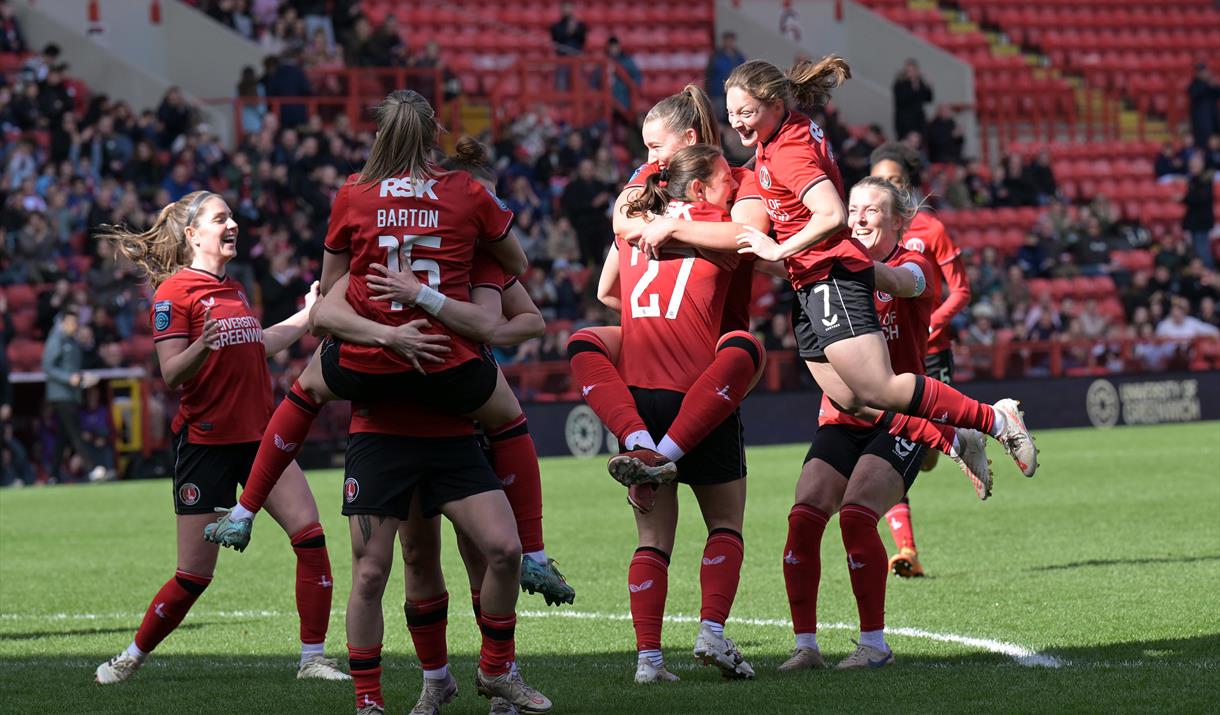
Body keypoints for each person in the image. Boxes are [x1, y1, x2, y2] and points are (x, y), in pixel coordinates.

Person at [632, 58, 1014, 484]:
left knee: (879, 389)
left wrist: (775, 245)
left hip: (829, 277)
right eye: (732, 112)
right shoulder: (776, 139)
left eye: (746, 112)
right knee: (850, 399)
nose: (736, 123)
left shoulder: (787, 151)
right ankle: (956, 439)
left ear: (774, 104)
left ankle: (994, 420)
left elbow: (832, 215)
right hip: (808, 281)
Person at [202, 89, 530, 555]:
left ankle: (245, 509)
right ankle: (534, 550)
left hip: (371, 354)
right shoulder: (468, 191)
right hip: (445, 351)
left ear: (379, 135)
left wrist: (381, 325)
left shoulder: (354, 191)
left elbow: (332, 285)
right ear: (433, 133)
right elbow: (516, 261)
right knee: (508, 419)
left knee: (307, 389)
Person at [93, 191, 348, 685]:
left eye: (232, 216)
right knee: (194, 576)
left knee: (310, 536)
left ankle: (313, 658)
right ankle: (130, 657)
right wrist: (202, 347)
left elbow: (258, 344)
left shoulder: (233, 289)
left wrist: (309, 314)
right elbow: (170, 373)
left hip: (258, 440)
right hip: (206, 447)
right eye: (220, 217)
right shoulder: (173, 295)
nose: (232, 223)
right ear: (193, 234)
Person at [780, 177, 973, 672]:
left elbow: (901, 282)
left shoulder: (914, 265)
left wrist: (826, 255)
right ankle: (806, 647)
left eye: (872, 211)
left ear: (899, 222)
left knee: (856, 514)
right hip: (842, 416)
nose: (859, 218)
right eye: (853, 209)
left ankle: (874, 644)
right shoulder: (830, 270)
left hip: (900, 422)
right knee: (803, 516)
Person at [593, 144, 766, 682]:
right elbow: (752, 240)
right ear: (696, 189)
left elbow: (605, 291)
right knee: (725, 524)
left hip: (641, 400)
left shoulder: (632, 225)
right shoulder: (713, 225)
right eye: (722, 185)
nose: (731, 192)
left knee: (652, 540)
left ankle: (648, 660)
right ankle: (711, 632)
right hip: (700, 398)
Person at [869, 142, 974, 577]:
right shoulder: (867, 234)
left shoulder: (931, 229)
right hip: (892, 357)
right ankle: (906, 550)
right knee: (896, 444)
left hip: (931, 350)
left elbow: (961, 290)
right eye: (879, 180)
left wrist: (933, 322)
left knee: (927, 449)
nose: (887, 187)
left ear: (907, 185)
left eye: (893, 180)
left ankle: (941, 442)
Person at [41, 308, 101, 482]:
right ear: (63, 323)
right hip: (60, 394)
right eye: (72, 322)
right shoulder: (56, 339)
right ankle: (91, 468)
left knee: (63, 435)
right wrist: (69, 378)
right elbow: (48, 366)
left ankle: (53, 474)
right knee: (75, 431)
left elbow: (71, 368)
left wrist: (82, 378)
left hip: (71, 394)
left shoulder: (72, 341)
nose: (75, 326)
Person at [705, 32, 746, 121]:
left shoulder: (739, 57)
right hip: (718, 91)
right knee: (719, 116)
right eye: (727, 40)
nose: (729, 43)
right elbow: (708, 74)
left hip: (735, 90)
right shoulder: (716, 56)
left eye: (731, 40)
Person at [892, 59, 932, 145]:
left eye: (913, 70)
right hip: (904, 122)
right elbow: (901, 101)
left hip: (918, 122)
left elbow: (928, 99)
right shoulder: (899, 83)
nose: (911, 73)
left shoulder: (920, 83)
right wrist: (914, 88)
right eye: (909, 70)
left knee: (918, 147)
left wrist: (929, 87)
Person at [1187, 63, 1220, 149]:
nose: (1203, 74)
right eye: (1200, 72)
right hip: (1200, 123)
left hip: (1214, 121)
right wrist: (1204, 84)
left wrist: (1213, 84)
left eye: (1204, 71)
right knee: (1203, 146)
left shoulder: (1211, 83)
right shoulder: (1194, 84)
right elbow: (1193, 94)